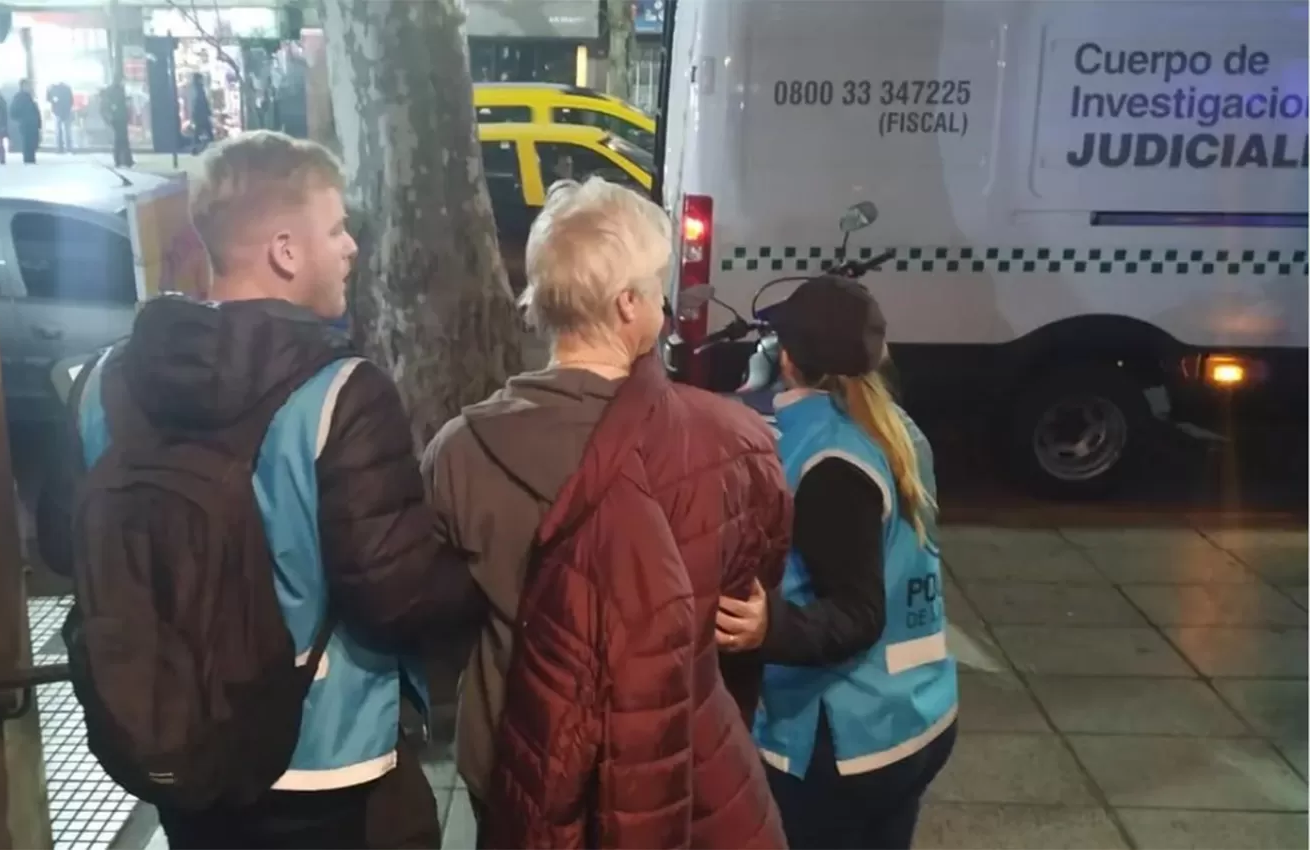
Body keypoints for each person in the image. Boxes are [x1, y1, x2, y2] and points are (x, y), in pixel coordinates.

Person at [70, 131, 479, 849]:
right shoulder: (343, 392)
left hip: (173, 740)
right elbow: (392, 594)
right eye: (336, 227)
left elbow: (64, 540)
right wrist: (483, 573)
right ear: (287, 251)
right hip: (323, 759)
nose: (350, 245)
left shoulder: (103, 383)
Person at [428, 177, 792, 849]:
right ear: (629, 306)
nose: (663, 301)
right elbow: (745, 592)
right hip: (667, 754)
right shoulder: (732, 440)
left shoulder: (459, 451)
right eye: (658, 286)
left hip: (514, 748)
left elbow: (442, 608)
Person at [714, 276, 958, 850]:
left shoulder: (828, 461)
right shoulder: (895, 429)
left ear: (788, 358)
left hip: (849, 737)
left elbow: (857, 611)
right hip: (918, 709)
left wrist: (768, 627)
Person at [10, 79, 42, 164]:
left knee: (33, 142)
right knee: (27, 142)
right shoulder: (19, 97)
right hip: (26, 124)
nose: (29, 87)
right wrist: (22, 118)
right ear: (23, 86)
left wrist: (38, 122)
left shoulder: (31, 96)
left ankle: (31, 159)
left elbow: (35, 110)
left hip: (33, 124)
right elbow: (13, 111)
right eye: (27, 85)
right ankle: (28, 160)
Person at [46, 80, 75, 152]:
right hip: (66, 111)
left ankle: (60, 148)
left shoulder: (51, 88)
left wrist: (53, 101)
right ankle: (69, 148)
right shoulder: (67, 88)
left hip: (57, 111)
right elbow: (71, 100)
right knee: (67, 130)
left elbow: (48, 98)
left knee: (59, 131)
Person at [190, 73, 214, 154]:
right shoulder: (199, 89)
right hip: (201, 115)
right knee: (208, 131)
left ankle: (195, 148)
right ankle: (212, 146)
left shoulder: (194, 89)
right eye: (201, 78)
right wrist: (208, 111)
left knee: (198, 132)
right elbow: (202, 102)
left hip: (199, 115)